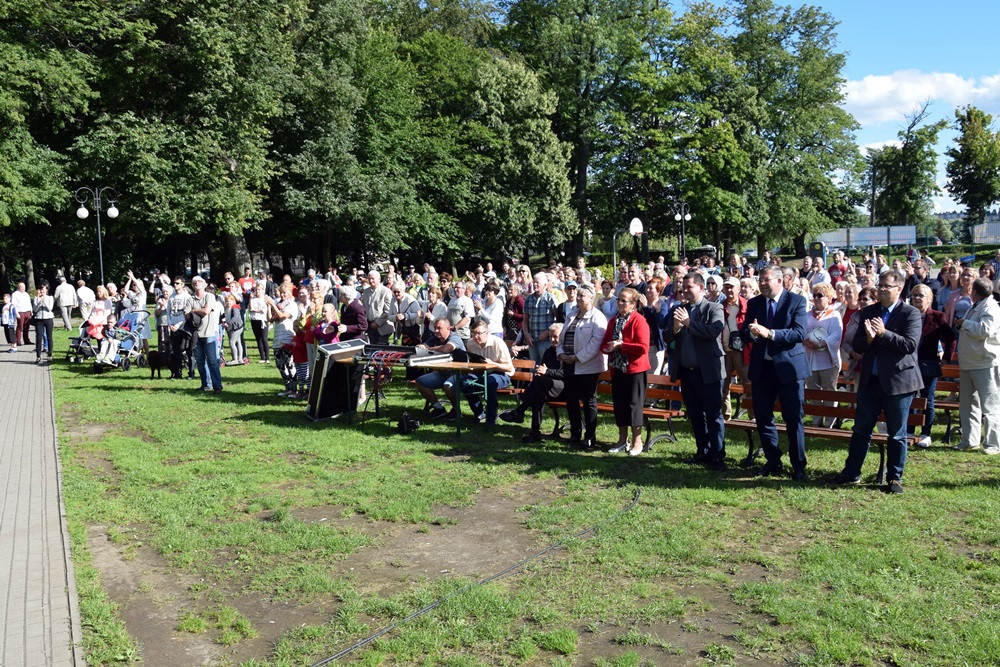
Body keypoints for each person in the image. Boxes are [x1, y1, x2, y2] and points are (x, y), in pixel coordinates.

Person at [833, 270, 922, 494]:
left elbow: (910, 345)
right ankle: (851, 473)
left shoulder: (910, 313)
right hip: (870, 381)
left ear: (898, 289)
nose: (881, 289)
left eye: (886, 286)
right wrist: (868, 338)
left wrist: (883, 333)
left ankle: (894, 478)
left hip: (898, 382)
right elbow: (858, 345)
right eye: (880, 285)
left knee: (897, 433)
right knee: (861, 429)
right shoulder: (869, 311)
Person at [739, 266, 810, 481]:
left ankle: (798, 465)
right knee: (763, 416)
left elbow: (799, 333)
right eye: (760, 279)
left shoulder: (796, 301)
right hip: (763, 368)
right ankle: (773, 461)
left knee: (793, 418)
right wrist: (751, 333)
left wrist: (769, 333)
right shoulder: (754, 303)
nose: (761, 283)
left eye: (766, 280)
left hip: (788, 369)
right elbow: (745, 332)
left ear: (779, 280)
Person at [664, 273, 727, 469]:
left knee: (713, 415)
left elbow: (713, 332)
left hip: (708, 371)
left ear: (701, 287)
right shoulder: (678, 309)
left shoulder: (714, 308)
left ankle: (717, 455)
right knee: (695, 414)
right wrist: (675, 328)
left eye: (689, 287)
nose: (685, 290)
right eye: (683, 287)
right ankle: (703, 451)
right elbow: (666, 337)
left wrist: (689, 323)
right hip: (687, 372)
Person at [554, 283, 608, 449]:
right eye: (577, 295)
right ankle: (575, 433)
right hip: (569, 364)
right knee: (571, 400)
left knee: (588, 401)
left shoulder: (597, 317)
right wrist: (560, 353)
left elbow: (595, 343)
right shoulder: (571, 314)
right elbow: (561, 338)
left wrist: (577, 357)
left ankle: (590, 437)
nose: (578, 298)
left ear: (591, 298)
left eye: (581, 295)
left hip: (588, 367)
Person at [600, 287, 651, 456]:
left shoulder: (639, 320)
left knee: (634, 405)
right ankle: (622, 440)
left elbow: (642, 348)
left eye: (624, 301)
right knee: (620, 404)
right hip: (617, 369)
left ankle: (637, 442)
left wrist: (621, 346)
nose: (620, 303)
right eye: (618, 300)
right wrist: (607, 348)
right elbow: (605, 342)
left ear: (633, 304)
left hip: (635, 369)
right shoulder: (613, 321)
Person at [954, 277, 1000, 455]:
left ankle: (993, 444)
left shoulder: (991, 307)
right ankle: (970, 440)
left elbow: (985, 330)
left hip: (985, 363)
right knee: (968, 405)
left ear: (975, 291)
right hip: (968, 363)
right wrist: (962, 324)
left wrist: (964, 323)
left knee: (990, 405)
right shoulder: (976, 306)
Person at [499, 322, 565, 442]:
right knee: (539, 394)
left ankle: (519, 411)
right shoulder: (549, 351)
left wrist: (547, 372)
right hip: (547, 386)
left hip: (565, 388)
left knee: (539, 383)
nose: (552, 340)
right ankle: (535, 432)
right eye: (550, 337)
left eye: (555, 337)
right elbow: (543, 369)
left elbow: (566, 374)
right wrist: (540, 372)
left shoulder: (567, 351)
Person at [908, 284, 954, 448]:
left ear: (929, 299)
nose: (917, 298)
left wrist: (946, 358)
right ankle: (909, 431)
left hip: (928, 364)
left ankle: (926, 433)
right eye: (914, 295)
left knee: (927, 399)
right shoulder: (907, 314)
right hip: (909, 364)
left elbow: (951, 338)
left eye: (920, 295)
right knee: (910, 398)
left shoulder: (937, 316)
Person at [459, 320, 515, 425]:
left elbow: (509, 368)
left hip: (502, 374)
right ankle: (479, 413)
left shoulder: (497, 343)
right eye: (473, 333)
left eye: (479, 333)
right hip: (482, 373)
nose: (476, 336)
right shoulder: (470, 343)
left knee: (489, 382)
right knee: (465, 382)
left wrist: (493, 364)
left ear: (487, 332)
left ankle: (491, 418)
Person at [803, 282, 843, 427]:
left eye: (820, 295)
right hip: (810, 359)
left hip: (827, 361)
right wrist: (805, 341)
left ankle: (829, 423)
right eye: (814, 295)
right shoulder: (807, 315)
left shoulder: (834, 315)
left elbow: (836, 335)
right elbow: (802, 331)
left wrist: (821, 344)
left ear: (829, 297)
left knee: (829, 391)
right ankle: (816, 421)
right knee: (813, 391)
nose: (816, 298)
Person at [418, 318, 467, 419]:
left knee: (447, 385)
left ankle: (456, 410)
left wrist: (428, 349)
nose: (436, 330)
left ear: (448, 328)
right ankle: (438, 408)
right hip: (442, 373)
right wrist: (422, 347)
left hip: (459, 373)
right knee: (420, 381)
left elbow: (446, 349)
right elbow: (420, 347)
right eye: (435, 328)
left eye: (439, 328)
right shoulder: (434, 338)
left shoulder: (455, 338)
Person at [720, 277, 751, 420]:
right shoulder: (721, 306)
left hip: (742, 352)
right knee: (723, 385)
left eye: (731, 287)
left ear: (738, 288)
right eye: (726, 287)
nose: (729, 290)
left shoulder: (747, 305)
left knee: (748, 385)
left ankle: (753, 417)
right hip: (724, 350)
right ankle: (725, 416)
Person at [189, 277, 223, 393]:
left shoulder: (210, 296)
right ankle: (206, 384)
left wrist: (194, 310)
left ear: (204, 285)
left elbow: (206, 311)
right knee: (200, 361)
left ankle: (217, 386)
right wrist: (200, 310)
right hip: (196, 334)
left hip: (209, 333)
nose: (196, 283)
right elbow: (186, 314)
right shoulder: (190, 299)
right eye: (194, 282)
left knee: (212, 361)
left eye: (199, 281)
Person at [268, 283, 299, 397]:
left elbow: (282, 316)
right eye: (281, 292)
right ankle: (287, 387)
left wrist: (273, 305)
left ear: (290, 292)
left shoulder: (292, 304)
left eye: (284, 292)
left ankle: (294, 389)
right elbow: (270, 319)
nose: (282, 295)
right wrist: (269, 306)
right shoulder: (279, 304)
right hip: (277, 338)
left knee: (290, 364)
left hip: (287, 337)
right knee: (280, 365)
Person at [523, 272, 557, 362]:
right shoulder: (528, 299)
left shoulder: (551, 298)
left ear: (545, 285)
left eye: (537, 282)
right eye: (534, 282)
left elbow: (557, 319)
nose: (535, 284)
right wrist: (526, 335)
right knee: (533, 366)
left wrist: (547, 332)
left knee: (545, 365)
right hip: (532, 340)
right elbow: (525, 320)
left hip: (546, 340)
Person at [166, 279, 192, 379]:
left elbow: (187, 313)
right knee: (175, 351)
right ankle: (177, 373)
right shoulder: (172, 296)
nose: (175, 285)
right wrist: (170, 323)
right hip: (173, 327)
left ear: (182, 284)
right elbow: (168, 311)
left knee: (188, 351)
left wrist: (178, 325)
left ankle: (191, 372)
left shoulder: (186, 296)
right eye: (174, 283)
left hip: (184, 328)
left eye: (177, 283)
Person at [362, 270, 393, 344]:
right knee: (372, 347)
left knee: (381, 348)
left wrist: (377, 322)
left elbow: (388, 311)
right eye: (369, 279)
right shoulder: (366, 291)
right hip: (370, 326)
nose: (371, 280)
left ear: (379, 279)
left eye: (373, 278)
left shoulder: (386, 291)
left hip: (383, 326)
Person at [32, 281, 55, 363]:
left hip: (48, 319)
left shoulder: (50, 298)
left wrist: (44, 301)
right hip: (39, 319)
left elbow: (50, 308)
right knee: (39, 337)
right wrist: (39, 301)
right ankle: (38, 356)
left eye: (44, 290)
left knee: (49, 337)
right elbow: (35, 309)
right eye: (41, 290)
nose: (42, 291)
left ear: (47, 290)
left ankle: (49, 355)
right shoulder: (36, 298)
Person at [249, 283, 270, 363]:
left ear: (263, 290)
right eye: (256, 290)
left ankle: (267, 358)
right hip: (254, 320)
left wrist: (255, 310)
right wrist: (250, 299)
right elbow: (250, 308)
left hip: (263, 320)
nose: (257, 291)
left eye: (259, 289)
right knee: (258, 339)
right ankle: (262, 357)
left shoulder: (265, 299)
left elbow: (263, 310)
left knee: (264, 339)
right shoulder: (253, 299)